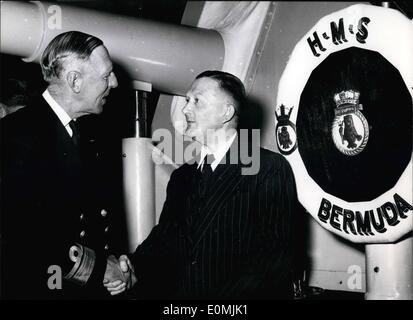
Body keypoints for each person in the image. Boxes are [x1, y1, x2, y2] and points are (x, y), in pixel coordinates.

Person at [106, 70, 300, 299]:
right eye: (187, 100)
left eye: (197, 101)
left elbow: (274, 258)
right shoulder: (182, 177)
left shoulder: (268, 168)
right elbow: (164, 239)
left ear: (226, 113)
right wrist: (132, 267)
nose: (186, 109)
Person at [0, 31, 134, 299]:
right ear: (74, 80)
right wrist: (99, 270)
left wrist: (118, 264)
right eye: (106, 76)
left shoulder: (90, 133)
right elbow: (22, 236)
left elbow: (99, 218)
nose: (115, 83)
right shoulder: (15, 137)